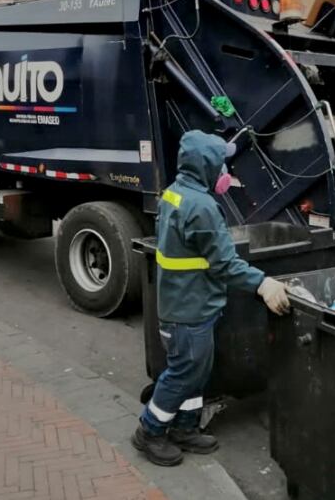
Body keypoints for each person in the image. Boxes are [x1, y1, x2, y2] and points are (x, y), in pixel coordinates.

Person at [132, 130, 290, 467]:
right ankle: (150, 430)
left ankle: (185, 427)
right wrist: (263, 284)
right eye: (221, 164)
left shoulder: (175, 193)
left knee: (196, 372)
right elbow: (225, 264)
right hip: (190, 309)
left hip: (184, 301)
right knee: (184, 373)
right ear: (205, 166)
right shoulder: (202, 207)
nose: (225, 171)